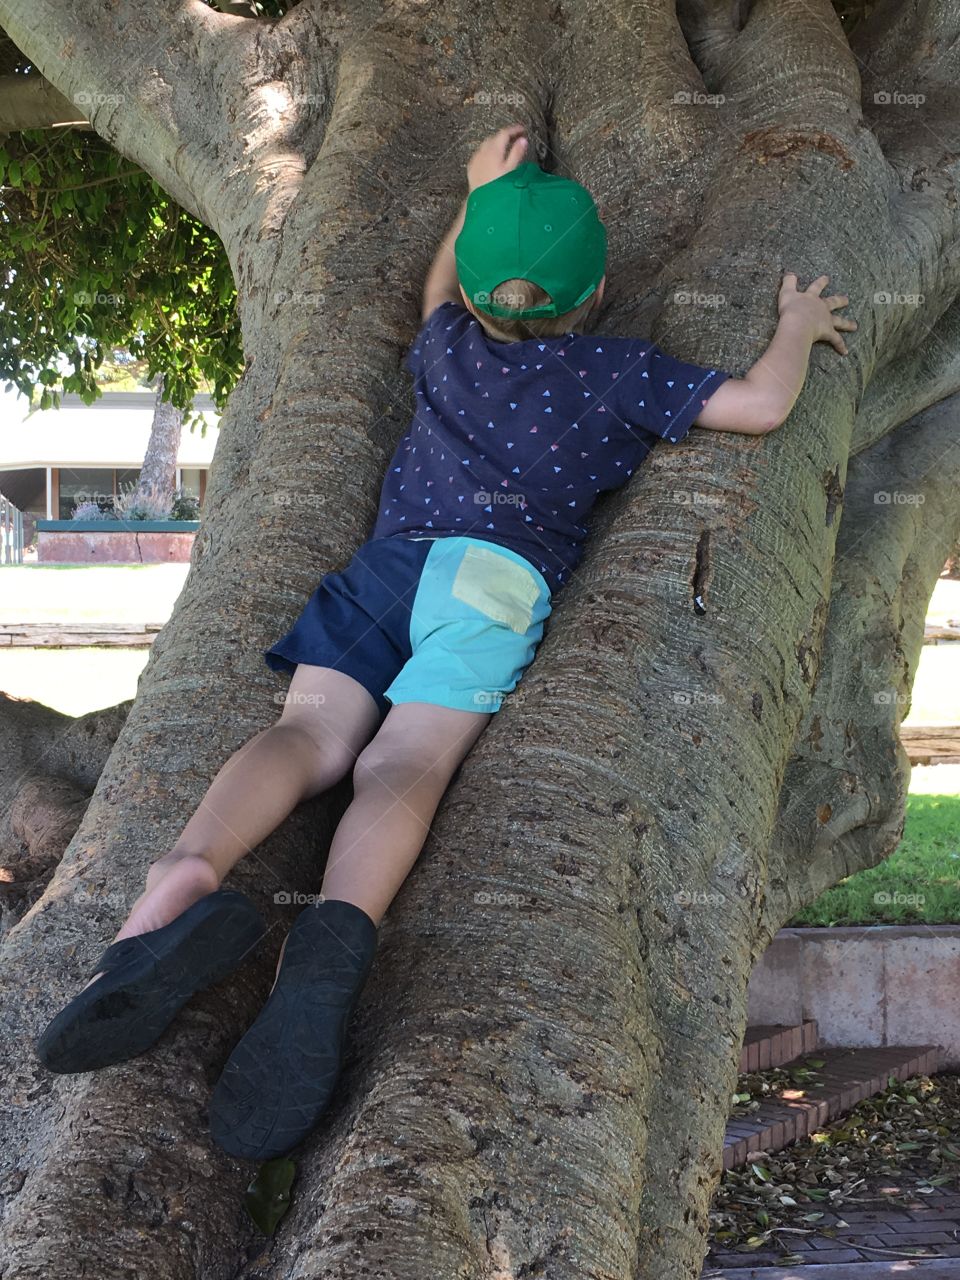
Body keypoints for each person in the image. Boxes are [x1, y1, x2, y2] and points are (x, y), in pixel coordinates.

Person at [34, 124, 857, 1162]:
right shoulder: (617, 372)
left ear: (473, 293)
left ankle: (180, 881)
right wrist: (795, 322)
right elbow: (765, 404)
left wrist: (477, 193)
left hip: (386, 569)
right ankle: (331, 940)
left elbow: (437, 292)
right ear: (595, 293)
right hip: (491, 583)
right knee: (405, 762)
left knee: (309, 732)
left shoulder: (444, 345)